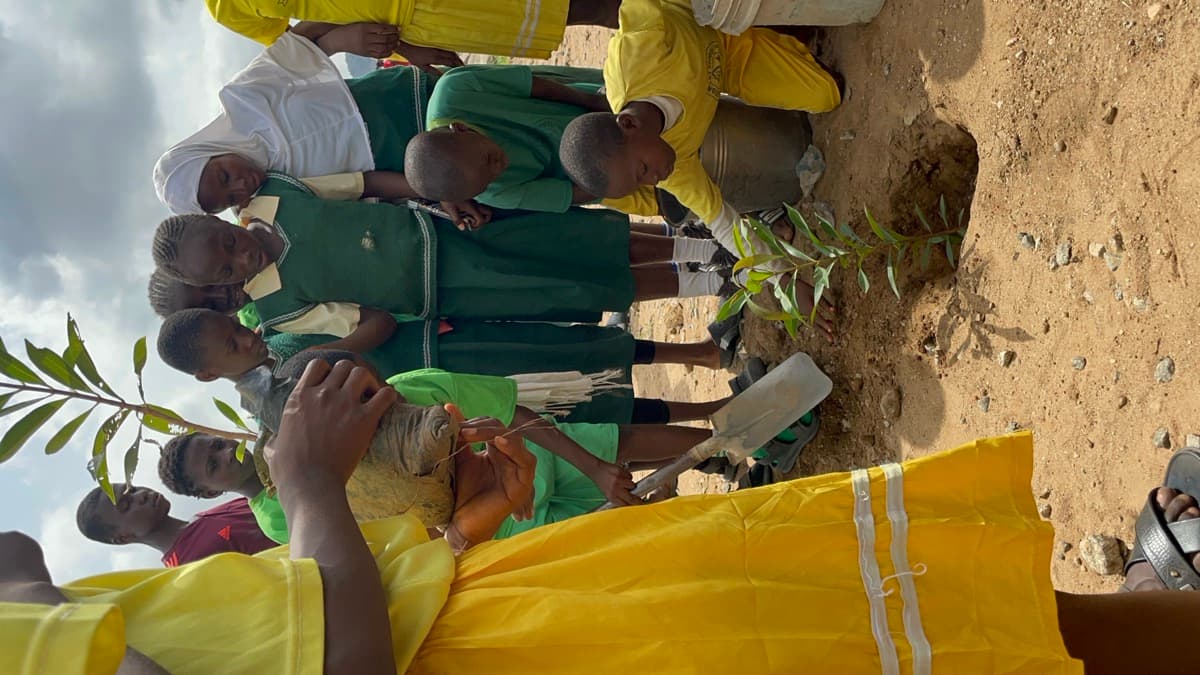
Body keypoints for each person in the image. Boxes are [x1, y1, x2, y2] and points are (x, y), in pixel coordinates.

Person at [6, 360, 1200, 673]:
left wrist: (459, 527)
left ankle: (1158, 618)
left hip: (518, 598)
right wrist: (313, 487)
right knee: (917, 635)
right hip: (536, 648)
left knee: (955, 624)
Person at [149, 175, 732, 337]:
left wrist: (441, 196)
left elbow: (367, 183)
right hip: (452, 291)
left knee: (577, 242)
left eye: (226, 239)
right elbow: (364, 322)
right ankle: (706, 288)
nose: (240, 255)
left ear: (217, 220)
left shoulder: (280, 195)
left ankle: (703, 248)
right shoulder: (276, 307)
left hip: (451, 228)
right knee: (578, 288)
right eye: (226, 270)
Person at [559, 0, 842, 277]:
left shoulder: (638, 54)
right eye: (642, 182)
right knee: (826, 93)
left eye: (643, 170)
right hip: (729, 57)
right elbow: (722, 223)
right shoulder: (670, 170)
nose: (655, 180)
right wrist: (785, 276)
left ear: (629, 123)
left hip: (703, 10)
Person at [153, 301, 741, 425]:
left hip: (449, 367)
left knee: (577, 360)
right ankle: (714, 410)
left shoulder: (279, 345)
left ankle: (706, 362)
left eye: (234, 326)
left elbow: (373, 329)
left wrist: (327, 350)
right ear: (208, 375)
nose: (245, 335)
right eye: (231, 343)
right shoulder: (278, 398)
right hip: (449, 404)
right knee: (585, 405)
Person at [152, 28, 490, 229]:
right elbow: (366, 184)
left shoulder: (244, 99)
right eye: (229, 200)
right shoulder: (278, 194)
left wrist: (384, 44)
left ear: (209, 152)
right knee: (505, 160)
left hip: (407, 95)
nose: (240, 187)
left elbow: (304, 39)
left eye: (224, 176)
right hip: (414, 159)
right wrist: (439, 189)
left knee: (511, 103)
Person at [404, 64, 661, 219]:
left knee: (657, 111)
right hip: (601, 176)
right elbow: (570, 194)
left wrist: (595, 102)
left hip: (584, 107)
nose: (499, 169)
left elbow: (539, 86)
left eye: (489, 160)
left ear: (459, 128)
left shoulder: (455, 90)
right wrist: (625, 178)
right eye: (487, 181)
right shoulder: (493, 193)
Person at [205, 0, 623, 61]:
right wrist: (340, 40)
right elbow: (295, 51)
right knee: (576, 9)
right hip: (422, 19)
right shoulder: (228, 7)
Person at [74, 483, 276, 567]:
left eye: (132, 489)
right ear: (123, 537)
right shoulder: (192, 566)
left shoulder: (207, 516)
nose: (141, 495)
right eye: (126, 505)